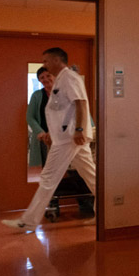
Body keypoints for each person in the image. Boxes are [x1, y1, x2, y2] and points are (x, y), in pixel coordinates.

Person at [3, 47, 97, 231]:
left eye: (46, 61)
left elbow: (81, 103)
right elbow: (62, 112)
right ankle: (107, 212)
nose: (44, 64)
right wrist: (50, 134)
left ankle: (28, 221)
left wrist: (79, 129)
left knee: (48, 178)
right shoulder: (60, 80)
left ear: (56, 60)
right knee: (91, 175)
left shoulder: (69, 77)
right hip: (66, 137)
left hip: (69, 138)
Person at [28, 66, 94, 219]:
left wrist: (87, 130)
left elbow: (81, 110)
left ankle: (86, 203)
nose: (46, 79)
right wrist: (41, 133)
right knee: (51, 174)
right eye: (42, 78)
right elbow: (30, 117)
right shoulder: (38, 96)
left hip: (69, 139)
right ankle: (52, 205)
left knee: (79, 172)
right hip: (49, 140)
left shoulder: (65, 91)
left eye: (48, 76)